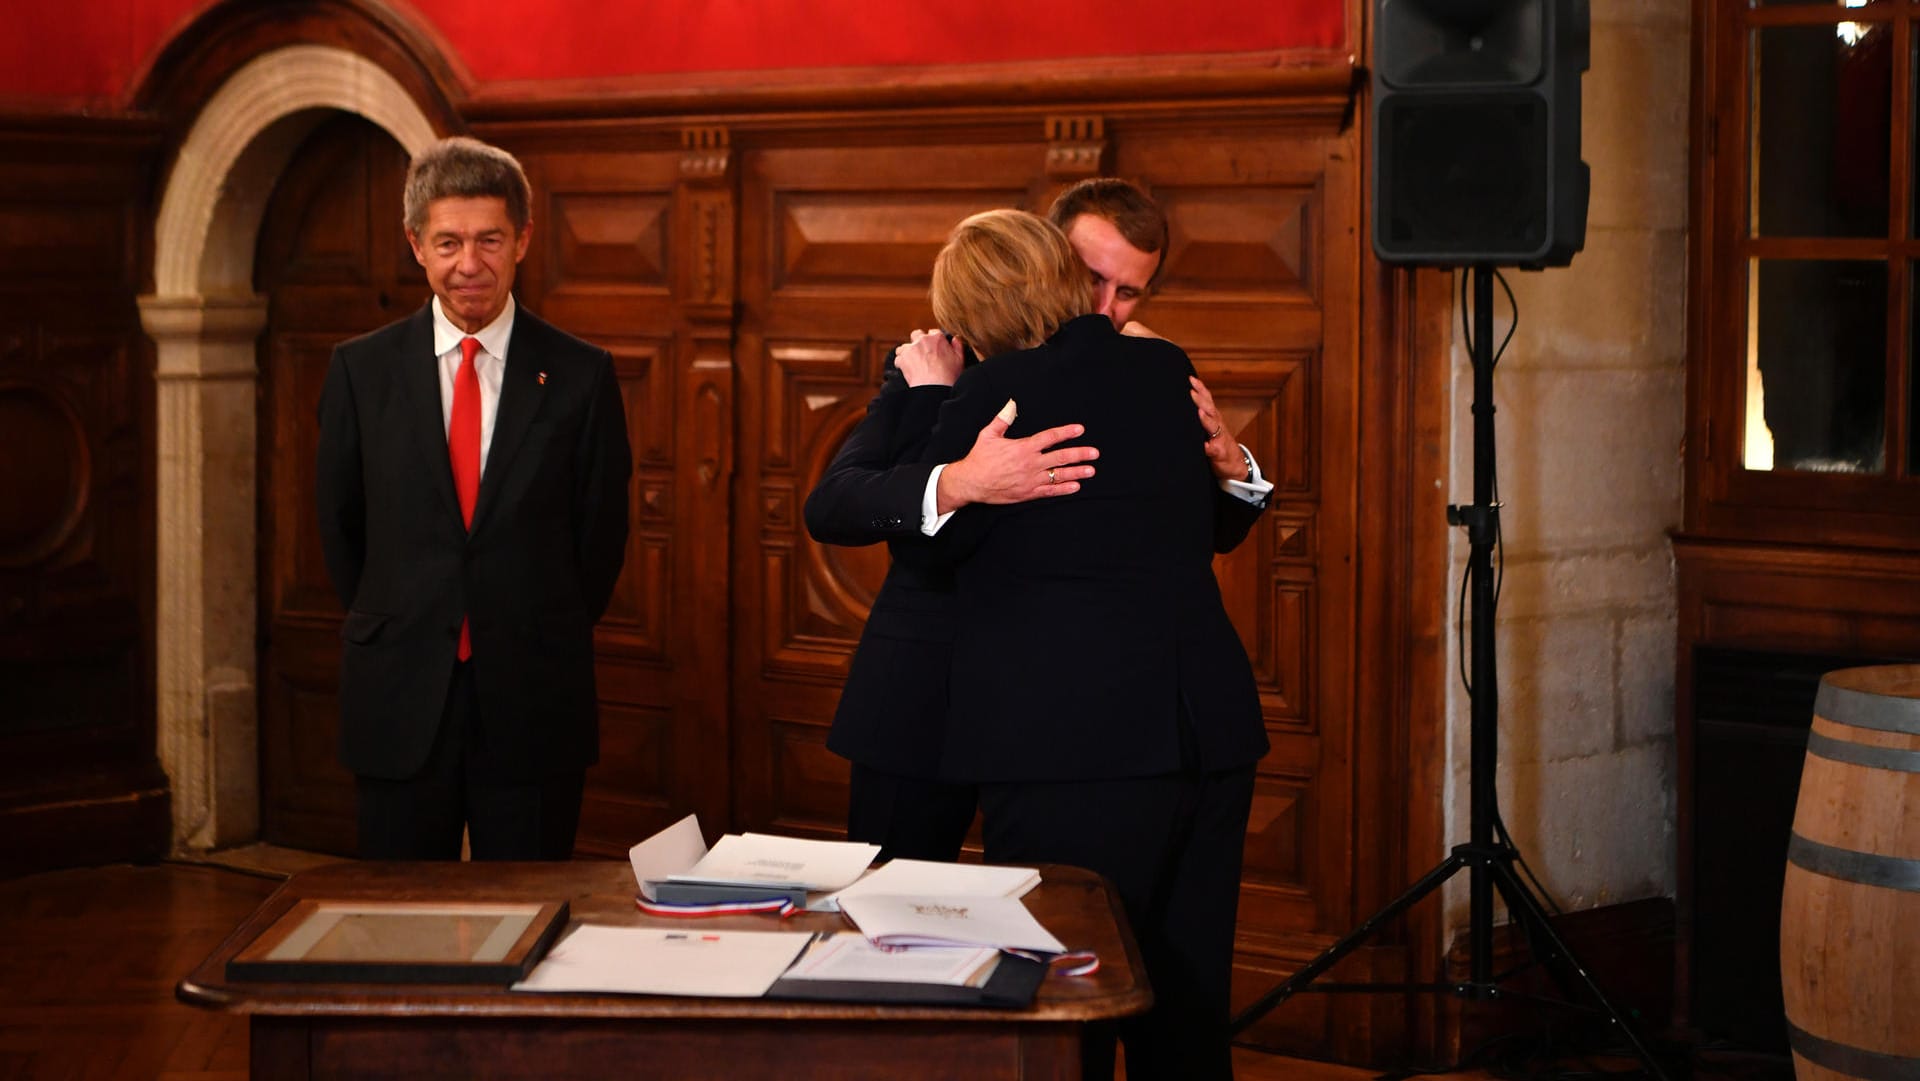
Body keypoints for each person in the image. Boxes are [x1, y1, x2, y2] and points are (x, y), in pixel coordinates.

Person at [803, 177, 1271, 863]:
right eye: (1091, 278)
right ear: (1048, 255)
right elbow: (839, 501)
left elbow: (1184, 535)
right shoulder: (933, 364)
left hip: (1057, 716)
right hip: (922, 696)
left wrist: (1234, 468)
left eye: (1130, 290)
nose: (1105, 307)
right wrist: (953, 452)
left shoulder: (1144, 372)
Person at [919, 208, 1267, 1080]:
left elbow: (927, 549)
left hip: (1068, 748)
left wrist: (934, 413)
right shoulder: (1163, 368)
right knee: (1184, 1015)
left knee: (1061, 1014)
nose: (1111, 302)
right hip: (1205, 734)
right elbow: (1194, 521)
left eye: (1130, 287)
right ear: (1057, 268)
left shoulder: (988, 397)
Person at [314, 136, 632, 861]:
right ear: (415, 244)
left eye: (489, 239)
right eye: (448, 241)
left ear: (522, 240)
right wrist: (405, 615)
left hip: (532, 694)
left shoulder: (581, 376)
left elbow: (598, 541)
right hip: (398, 692)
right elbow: (341, 529)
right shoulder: (360, 373)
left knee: (530, 914)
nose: (469, 264)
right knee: (400, 921)